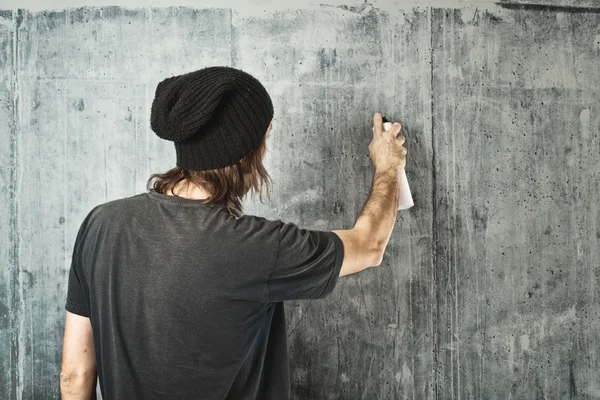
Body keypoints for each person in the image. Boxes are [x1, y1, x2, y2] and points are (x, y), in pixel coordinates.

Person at [59, 66, 407, 399]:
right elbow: (369, 245)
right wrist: (388, 166)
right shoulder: (257, 249)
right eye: (265, 137)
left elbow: (75, 377)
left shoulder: (100, 225)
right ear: (247, 153)